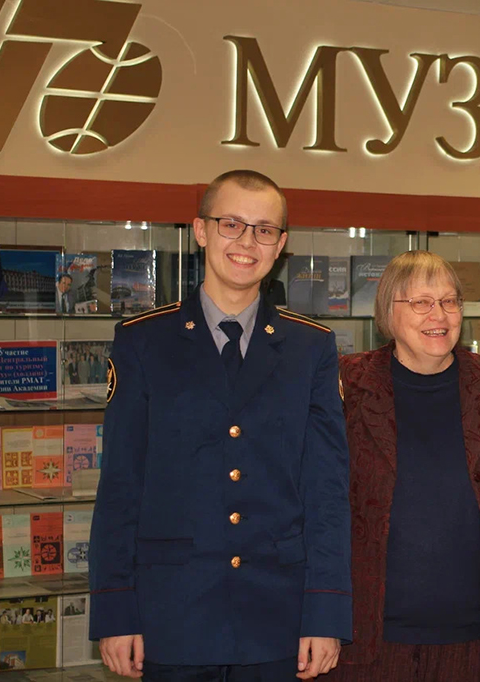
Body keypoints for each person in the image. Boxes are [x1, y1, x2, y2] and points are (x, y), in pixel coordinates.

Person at [89, 170, 352, 681]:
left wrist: (326, 612)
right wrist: (115, 609)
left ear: (281, 245)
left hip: (278, 617)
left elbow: (327, 493)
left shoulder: (311, 348)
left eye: (264, 229)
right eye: (231, 224)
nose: (247, 242)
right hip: (172, 614)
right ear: (201, 231)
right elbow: (120, 485)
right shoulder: (143, 342)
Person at [330, 250, 480, 682]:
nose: (439, 314)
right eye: (421, 302)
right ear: (387, 312)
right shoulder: (345, 385)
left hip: (474, 639)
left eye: (450, 301)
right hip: (366, 635)